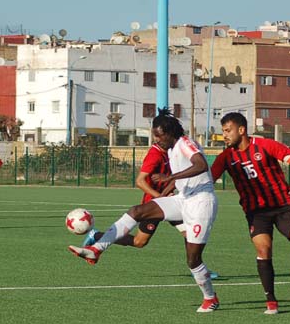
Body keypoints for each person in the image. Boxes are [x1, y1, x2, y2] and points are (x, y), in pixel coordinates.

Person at [69, 108, 220, 313]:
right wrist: (166, 193)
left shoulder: (185, 143)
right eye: (154, 135)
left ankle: (210, 298)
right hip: (183, 199)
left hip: (201, 203)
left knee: (193, 260)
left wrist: (170, 178)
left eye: (159, 135)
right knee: (137, 211)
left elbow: (201, 165)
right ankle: (96, 249)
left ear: (170, 132)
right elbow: (180, 180)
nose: (156, 139)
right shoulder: (171, 149)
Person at [210, 112, 290, 315]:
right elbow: (208, 180)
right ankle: (271, 301)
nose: (225, 135)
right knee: (264, 249)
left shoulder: (265, 145)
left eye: (228, 131)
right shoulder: (225, 157)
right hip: (255, 212)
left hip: (283, 206)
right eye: (223, 131)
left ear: (241, 130)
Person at [81, 143, 220, 279]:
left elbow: (177, 177)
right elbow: (140, 181)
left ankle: (196, 267)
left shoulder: (172, 150)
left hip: (172, 201)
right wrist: (160, 198)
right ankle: (97, 236)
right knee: (139, 242)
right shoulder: (155, 154)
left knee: (188, 233)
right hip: (155, 205)